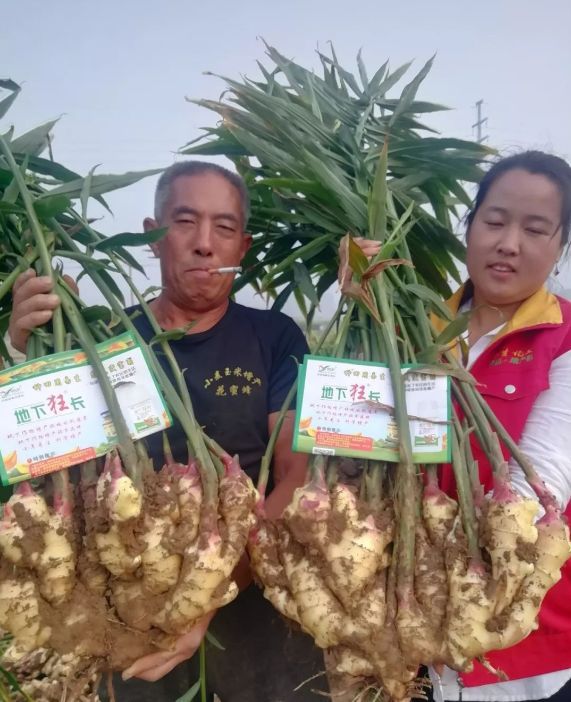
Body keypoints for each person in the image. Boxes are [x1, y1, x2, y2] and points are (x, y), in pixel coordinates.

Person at [7, 161, 328, 701]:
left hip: (252, 588)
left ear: (242, 246)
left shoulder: (276, 337)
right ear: (152, 235)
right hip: (125, 600)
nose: (204, 243)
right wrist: (23, 353)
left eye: (224, 227)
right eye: (184, 221)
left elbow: (295, 476)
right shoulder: (104, 341)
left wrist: (207, 594)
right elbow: (47, 466)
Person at [363, 151, 571, 702]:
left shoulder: (566, 338)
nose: (509, 243)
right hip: (405, 633)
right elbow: (358, 440)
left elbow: (541, 484)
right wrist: (366, 303)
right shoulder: (411, 328)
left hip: (523, 649)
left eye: (535, 230)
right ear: (470, 226)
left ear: (560, 245)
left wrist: (446, 571)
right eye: (495, 221)